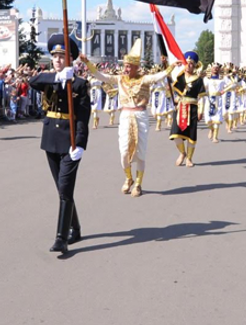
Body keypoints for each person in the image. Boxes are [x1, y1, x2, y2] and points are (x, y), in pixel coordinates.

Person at [80, 40, 175, 198]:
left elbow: (158, 76)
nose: (125, 69)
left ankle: (138, 183)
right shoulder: (120, 79)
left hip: (140, 116)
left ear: (136, 67)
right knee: (124, 151)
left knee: (140, 153)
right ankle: (128, 178)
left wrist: (171, 66)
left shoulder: (144, 79)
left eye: (129, 66)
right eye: (125, 66)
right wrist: (87, 63)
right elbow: (101, 76)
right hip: (125, 116)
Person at [29, 35, 90, 255]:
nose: (57, 59)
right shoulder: (48, 79)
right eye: (54, 56)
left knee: (65, 190)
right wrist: (57, 78)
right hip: (50, 140)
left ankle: (61, 238)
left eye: (62, 56)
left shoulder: (80, 85)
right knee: (62, 190)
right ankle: (76, 227)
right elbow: (32, 82)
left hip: (70, 142)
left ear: (71, 59)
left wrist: (80, 144)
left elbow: (83, 117)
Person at [170, 51, 206, 168]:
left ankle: (189, 158)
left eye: (191, 63)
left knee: (191, 135)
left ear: (195, 65)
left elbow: (201, 97)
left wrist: (201, 111)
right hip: (180, 107)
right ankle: (182, 153)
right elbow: (176, 92)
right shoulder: (180, 77)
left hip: (193, 109)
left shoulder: (198, 80)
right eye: (187, 63)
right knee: (175, 134)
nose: (188, 65)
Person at [203, 63, 226, 143]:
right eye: (214, 68)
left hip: (218, 100)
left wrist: (224, 90)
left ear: (219, 69)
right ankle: (211, 129)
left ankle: (215, 137)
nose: (215, 69)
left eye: (217, 68)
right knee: (208, 120)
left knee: (217, 118)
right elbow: (203, 88)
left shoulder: (222, 79)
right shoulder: (206, 79)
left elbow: (231, 85)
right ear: (211, 69)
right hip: (209, 100)